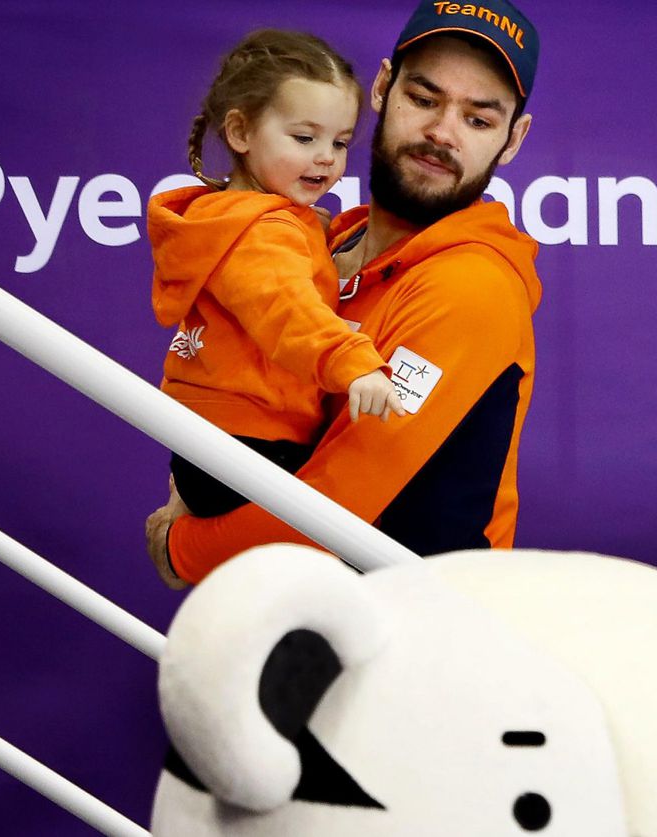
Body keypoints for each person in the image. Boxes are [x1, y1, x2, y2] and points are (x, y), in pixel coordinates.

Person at [147, 0, 541, 587]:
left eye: (479, 120)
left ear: (513, 140)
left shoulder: (471, 287)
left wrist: (185, 549)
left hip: (419, 642)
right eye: (424, 99)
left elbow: (341, 500)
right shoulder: (320, 242)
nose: (441, 133)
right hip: (313, 618)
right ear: (383, 86)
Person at [149, 29, 406, 525]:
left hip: (215, 439)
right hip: (251, 444)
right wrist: (352, 360)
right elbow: (286, 311)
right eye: (304, 138)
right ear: (241, 133)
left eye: (340, 142)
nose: (326, 157)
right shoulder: (264, 231)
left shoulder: (243, 219)